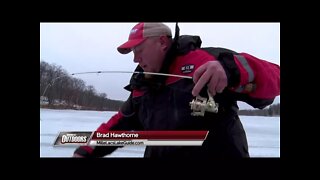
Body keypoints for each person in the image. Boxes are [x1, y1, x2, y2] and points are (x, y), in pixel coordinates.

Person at [73, 22, 280, 158]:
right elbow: (120, 124)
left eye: (139, 50)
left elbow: (274, 80)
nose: (135, 59)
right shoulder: (142, 85)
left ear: (162, 42)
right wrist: (87, 149)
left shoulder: (206, 60)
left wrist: (233, 71)